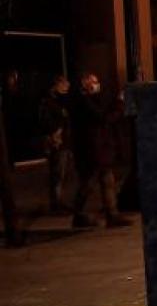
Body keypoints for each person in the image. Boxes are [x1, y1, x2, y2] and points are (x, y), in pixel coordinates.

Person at [69, 73, 133, 228]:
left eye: (97, 81)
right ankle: (80, 214)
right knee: (89, 183)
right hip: (92, 151)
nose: (97, 84)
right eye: (93, 82)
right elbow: (103, 117)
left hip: (99, 150)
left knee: (107, 181)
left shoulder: (92, 100)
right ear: (85, 85)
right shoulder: (83, 101)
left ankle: (112, 214)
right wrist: (119, 103)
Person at [38, 76, 73, 213]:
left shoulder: (59, 101)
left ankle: (58, 201)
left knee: (60, 173)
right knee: (57, 173)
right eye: (63, 84)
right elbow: (47, 121)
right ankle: (56, 203)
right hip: (57, 141)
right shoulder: (48, 103)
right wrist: (55, 133)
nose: (66, 87)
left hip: (62, 141)